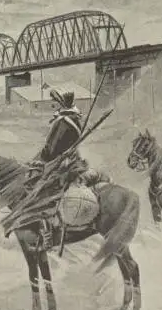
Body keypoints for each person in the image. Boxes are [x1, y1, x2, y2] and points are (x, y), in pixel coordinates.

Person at [15, 89, 108, 248]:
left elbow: (51, 149)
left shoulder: (63, 122)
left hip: (63, 164)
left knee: (40, 191)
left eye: (57, 104)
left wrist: (40, 161)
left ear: (61, 105)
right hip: (71, 160)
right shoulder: (72, 119)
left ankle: (47, 237)